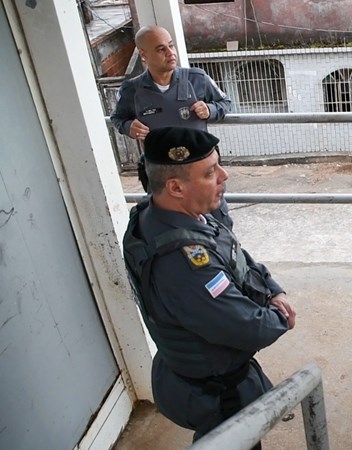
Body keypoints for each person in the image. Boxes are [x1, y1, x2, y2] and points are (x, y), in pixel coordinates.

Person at [122, 127, 296, 448]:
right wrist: (280, 317)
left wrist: (271, 288)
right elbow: (246, 327)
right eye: (210, 172)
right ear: (175, 186)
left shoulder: (169, 213)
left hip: (193, 373)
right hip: (216, 393)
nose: (224, 176)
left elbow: (232, 251)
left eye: (219, 165)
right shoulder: (182, 262)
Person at [111, 25, 234, 226]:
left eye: (171, 46)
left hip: (200, 169)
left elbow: (225, 103)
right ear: (144, 54)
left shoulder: (197, 78)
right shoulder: (132, 89)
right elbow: (117, 118)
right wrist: (128, 126)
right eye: (161, 49)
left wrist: (210, 110)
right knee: (172, 225)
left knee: (218, 222)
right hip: (161, 174)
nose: (170, 53)